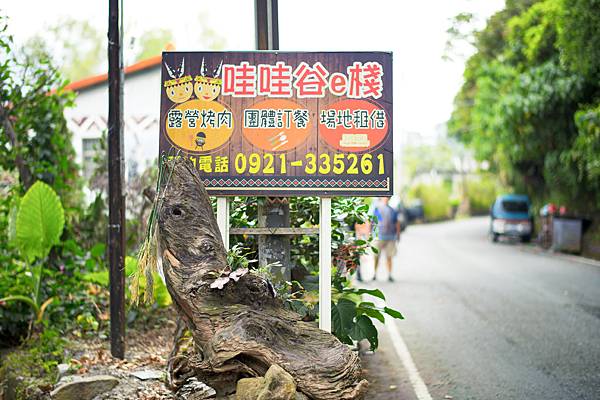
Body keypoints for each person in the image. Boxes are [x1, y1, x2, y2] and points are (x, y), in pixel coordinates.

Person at [372, 197, 400, 282]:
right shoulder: (377, 209)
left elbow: (396, 223)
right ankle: (374, 274)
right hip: (379, 236)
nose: (386, 199)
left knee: (389, 257)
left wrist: (398, 235)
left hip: (390, 237)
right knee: (376, 256)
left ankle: (389, 275)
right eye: (384, 197)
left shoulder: (393, 210)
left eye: (388, 197)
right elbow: (373, 221)